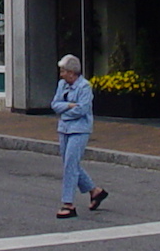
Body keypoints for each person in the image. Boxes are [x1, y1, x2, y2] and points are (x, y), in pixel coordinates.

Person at [51, 54, 108, 218]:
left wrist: (65, 111)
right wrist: (68, 106)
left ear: (71, 72)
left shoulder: (84, 86)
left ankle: (68, 204)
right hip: (64, 129)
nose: (61, 74)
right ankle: (95, 191)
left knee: (70, 164)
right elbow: (55, 104)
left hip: (80, 129)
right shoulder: (62, 84)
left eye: (63, 71)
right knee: (70, 163)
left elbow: (82, 109)